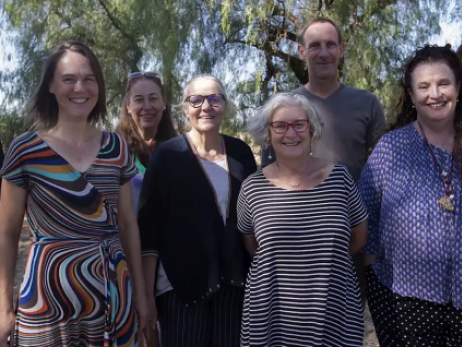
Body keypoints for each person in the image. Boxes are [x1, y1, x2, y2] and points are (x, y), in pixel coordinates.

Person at [359, 44, 462, 347]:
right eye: (424, 86)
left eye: (443, 83)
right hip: (406, 305)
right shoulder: (391, 149)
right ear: (412, 95)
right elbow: (366, 221)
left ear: (458, 87)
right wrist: (377, 287)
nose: (435, 94)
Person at [0, 41, 148, 347]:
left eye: (89, 78)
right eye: (69, 79)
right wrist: (3, 308)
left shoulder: (116, 147)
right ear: (51, 86)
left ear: (99, 86)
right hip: (47, 295)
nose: (79, 87)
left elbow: (128, 225)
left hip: (113, 289)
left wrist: (142, 297)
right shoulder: (24, 150)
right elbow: (7, 231)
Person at [262, 17, 385, 301]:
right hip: (292, 238)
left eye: (331, 45)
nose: (324, 52)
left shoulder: (367, 103)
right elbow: (268, 175)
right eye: (314, 45)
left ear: (341, 49)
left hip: (349, 236)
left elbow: (383, 172)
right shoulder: (282, 107)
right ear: (302, 52)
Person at [239, 92, 368, 346]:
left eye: (299, 124)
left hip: (334, 311)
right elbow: (252, 245)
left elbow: (359, 236)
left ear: (312, 129)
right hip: (271, 314)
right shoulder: (252, 187)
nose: (291, 133)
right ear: (268, 133)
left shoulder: (340, 178)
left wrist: (323, 258)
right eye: (280, 125)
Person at [138, 74, 257, 347]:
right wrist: (146, 299)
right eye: (196, 99)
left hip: (235, 286)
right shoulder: (167, 156)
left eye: (215, 99)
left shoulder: (241, 153)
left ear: (225, 106)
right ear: (184, 108)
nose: (206, 106)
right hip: (181, 289)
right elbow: (149, 234)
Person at [117, 71, 177, 346]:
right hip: (128, 260)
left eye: (154, 98)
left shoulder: (181, 150)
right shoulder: (113, 151)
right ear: (128, 105)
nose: (147, 106)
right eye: (139, 99)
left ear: (164, 104)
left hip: (171, 265)